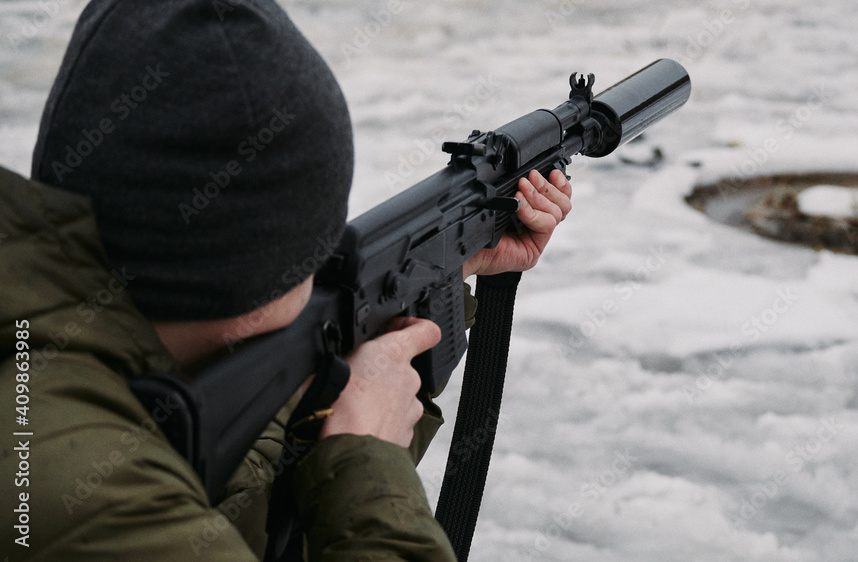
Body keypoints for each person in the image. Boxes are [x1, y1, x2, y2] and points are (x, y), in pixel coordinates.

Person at [0, 0, 572, 560]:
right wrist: (364, 462)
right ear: (255, 268)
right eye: (315, 253)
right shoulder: (80, 502)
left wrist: (444, 271)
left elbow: (238, 513)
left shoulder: (71, 361)